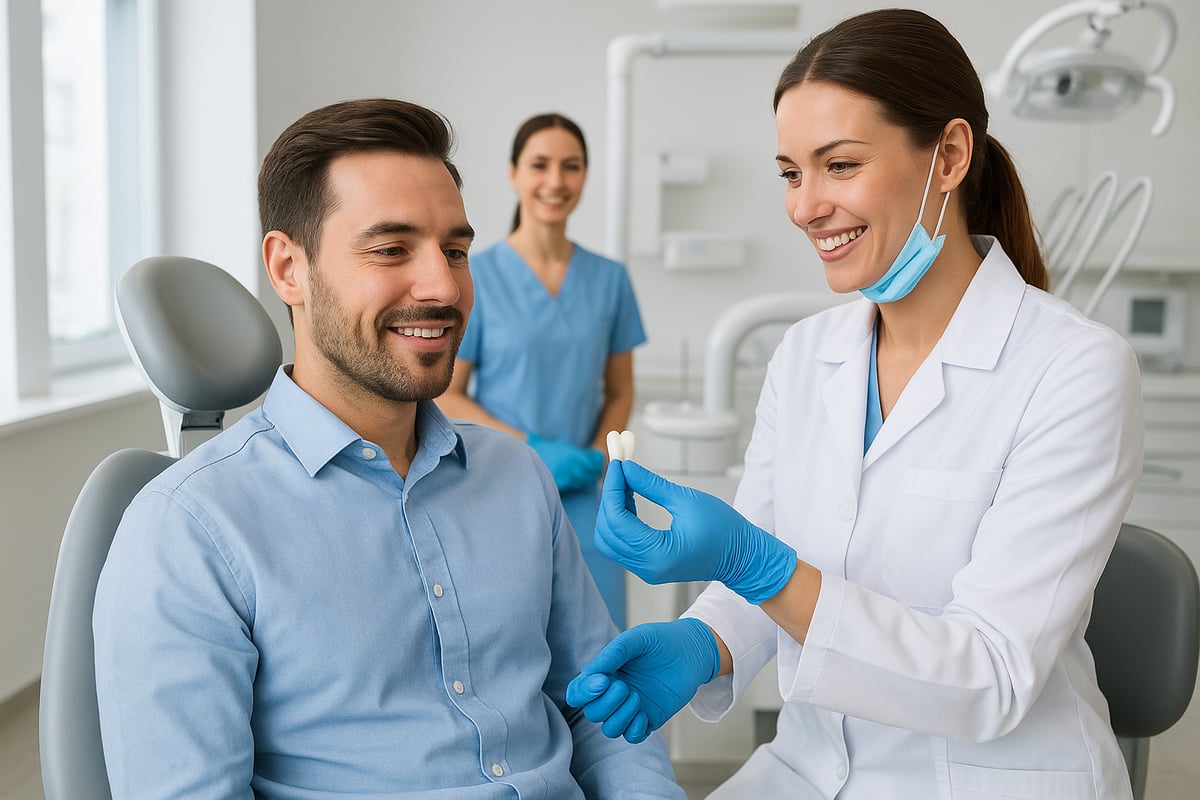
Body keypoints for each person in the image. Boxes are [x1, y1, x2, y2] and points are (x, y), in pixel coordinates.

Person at [566, 9, 1144, 799]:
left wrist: (756, 565)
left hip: (985, 779)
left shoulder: (1073, 370)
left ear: (948, 156)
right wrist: (706, 639)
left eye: (838, 165)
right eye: (790, 173)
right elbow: (765, 576)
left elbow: (992, 676)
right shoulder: (807, 356)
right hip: (806, 769)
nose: (805, 206)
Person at [92, 98, 683, 799]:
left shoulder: (516, 478)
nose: (444, 286)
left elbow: (601, 715)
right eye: (390, 249)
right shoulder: (190, 528)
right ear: (289, 269)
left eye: (456, 251)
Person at [436, 113, 646, 628]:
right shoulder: (476, 275)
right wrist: (530, 448)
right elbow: (448, 393)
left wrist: (597, 457)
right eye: (540, 165)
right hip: (500, 482)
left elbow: (620, 390)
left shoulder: (609, 280)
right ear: (514, 174)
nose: (556, 181)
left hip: (586, 496)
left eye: (570, 167)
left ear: (584, 177)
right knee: (511, 636)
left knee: (601, 643)